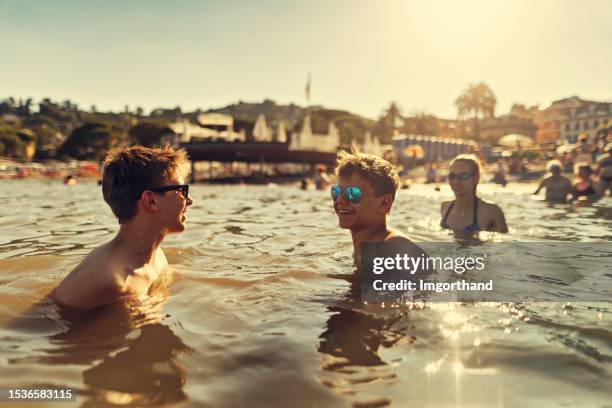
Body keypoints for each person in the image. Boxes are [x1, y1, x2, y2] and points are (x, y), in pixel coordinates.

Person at [54, 146, 194, 309]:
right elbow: (49, 329)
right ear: (150, 200)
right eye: (181, 191)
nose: (189, 200)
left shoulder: (158, 259)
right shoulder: (108, 280)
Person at [331, 150, 422, 267]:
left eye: (352, 193)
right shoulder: (363, 251)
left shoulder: (395, 249)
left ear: (384, 203)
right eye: (336, 191)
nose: (340, 200)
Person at [441, 154, 508, 234]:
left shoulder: (491, 211)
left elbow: (504, 244)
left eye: (463, 176)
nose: (456, 181)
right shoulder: (445, 207)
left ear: (476, 178)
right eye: (452, 176)